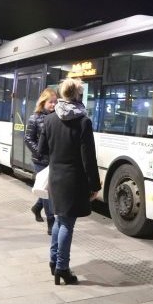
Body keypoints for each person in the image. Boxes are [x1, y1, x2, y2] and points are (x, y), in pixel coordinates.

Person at [38, 78, 101, 285]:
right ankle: (62, 268)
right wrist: (94, 185)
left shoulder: (49, 119)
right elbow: (88, 158)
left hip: (56, 178)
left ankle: (53, 261)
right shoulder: (83, 121)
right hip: (74, 181)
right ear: (77, 95)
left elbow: (41, 151)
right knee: (66, 223)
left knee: (59, 219)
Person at [25, 88, 57, 234]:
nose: (53, 105)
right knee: (46, 191)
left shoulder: (57, 117)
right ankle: (51, 221)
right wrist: (39, 151)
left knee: (47, 189)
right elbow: (28, 139)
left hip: (54, 160)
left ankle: (37, 207)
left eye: (55, 102)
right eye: (51, 102)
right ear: (43, 102)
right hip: (40, 161)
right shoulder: (35, 118)